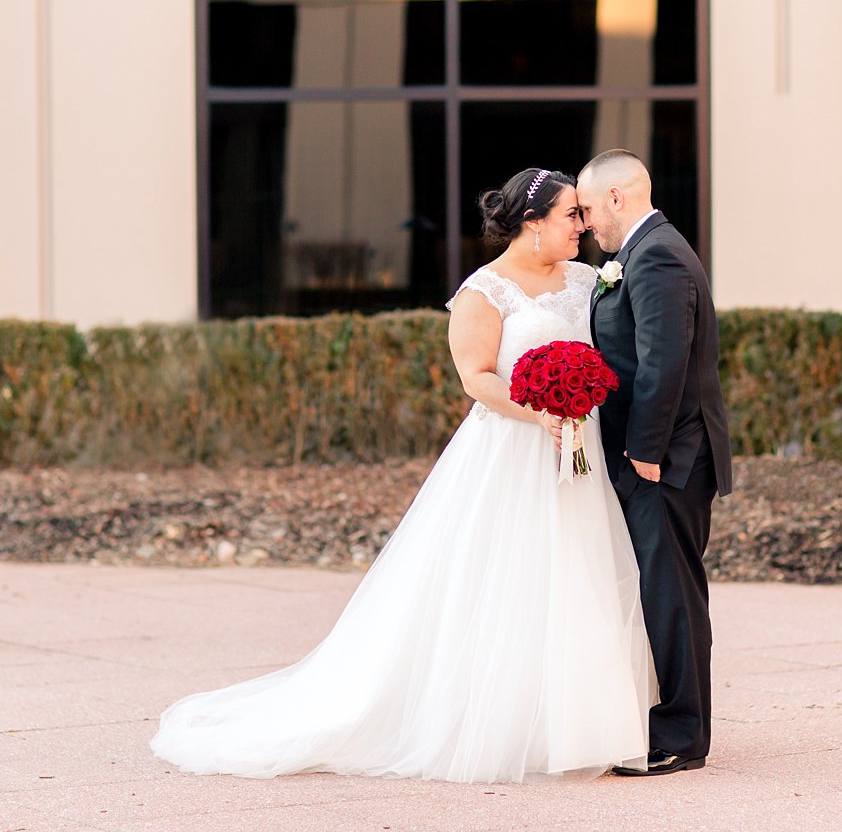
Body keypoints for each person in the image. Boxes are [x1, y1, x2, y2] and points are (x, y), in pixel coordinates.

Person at [150, 167, 655, 783]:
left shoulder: (590, 279)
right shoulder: (484, 292)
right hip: (515, 450)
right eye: (571, 215)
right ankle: (497, 720)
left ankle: (580, 724)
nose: (583, 225)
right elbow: (476, 378)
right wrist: (541, 413)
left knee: (581, 572)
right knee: (510, 580)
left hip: (584, 448)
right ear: (533, 222)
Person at [576, 148, 733, 777]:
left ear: (618, 197)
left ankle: (681, 737)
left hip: (666, 461)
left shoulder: (658, 255)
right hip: (661, 456)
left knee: (672, 593)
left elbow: (666, 361)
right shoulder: (640, 254)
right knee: (666, 589)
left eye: (588, 208)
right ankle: (674, 724)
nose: (585, 222)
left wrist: (644, 452)